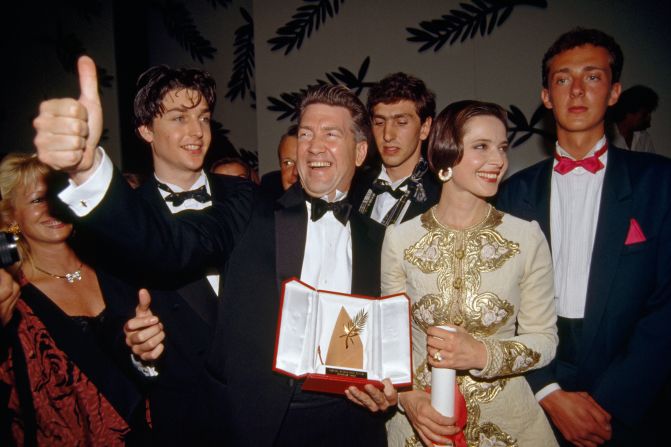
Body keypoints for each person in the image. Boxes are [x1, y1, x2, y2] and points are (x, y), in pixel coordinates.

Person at [33, 56, 387, 445]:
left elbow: (383, 339)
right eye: (304, 134)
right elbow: (172, 247)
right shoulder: (252, 209)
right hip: (250, 425)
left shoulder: (378, 237)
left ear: (359, 152)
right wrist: (89, 172)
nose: (314, 146)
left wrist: (391, 388)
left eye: (331, 134)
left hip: (351, 426)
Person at [497, 28, 671, 445]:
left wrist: (611, 400)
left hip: (634, 399)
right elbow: (502, 306)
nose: (576, 90)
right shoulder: (509, 193)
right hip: (536, 388)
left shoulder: (660, 183)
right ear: (545, 95)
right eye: (562, 79)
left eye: (592, 77)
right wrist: (548, 391)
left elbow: (666, 305)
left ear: (614, 92)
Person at [349, 101, 558, 446]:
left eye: (502, 148)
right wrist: (405, 398)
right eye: (481, 147)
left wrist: (481, 354)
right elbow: (390, 342)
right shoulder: (400, 239)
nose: (498, 161)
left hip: (510, 427)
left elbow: (545, 341)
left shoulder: (526, 237)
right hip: (420, 425)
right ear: (446, 154)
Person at [0, 153, 150, 445]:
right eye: (36, 200)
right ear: (10, 216)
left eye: (58, 195)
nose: (52, 208)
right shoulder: (12, 297)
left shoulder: (115, 269)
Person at [350, 72, 440, 226]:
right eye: (379, 123)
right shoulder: (352, 184)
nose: (387, 135)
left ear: (425, 128)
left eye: (401, 122)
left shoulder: (442, 194)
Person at [607, 84, 658, 153]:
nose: (648, 119)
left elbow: (652, 163)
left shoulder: (644, 138)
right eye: (644, 114)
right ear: (630, 111)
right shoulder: (606, 135)